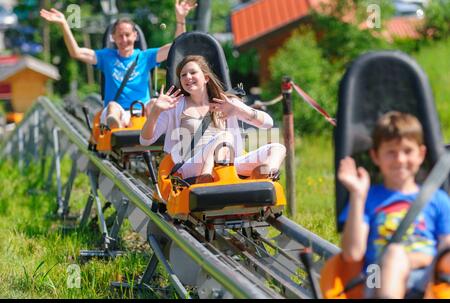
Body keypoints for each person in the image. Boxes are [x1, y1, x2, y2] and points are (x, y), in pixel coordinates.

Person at [338, 111, 450, 298]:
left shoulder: (438, 200)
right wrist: (357, 195)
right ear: (375, 156)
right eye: (391, 152)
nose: (400, 159)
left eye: (407, 151)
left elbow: (446, 255)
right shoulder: (367, 198)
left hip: (426, 281)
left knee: (398, 256)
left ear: (421, 154)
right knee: (394, 254)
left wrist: (413, 261)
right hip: (376, 279)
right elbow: (352, 254)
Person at [40, 0, 197, 129]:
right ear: (113, 38)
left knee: (156, 102)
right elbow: (76, 52)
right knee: (113, 107)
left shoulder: (145, 56)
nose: (124, 40)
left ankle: (156, 129)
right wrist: (63, 24)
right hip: (117, 112)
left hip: (142, 112)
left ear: (135, 36)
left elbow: (177, 47)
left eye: (127, 35)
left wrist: (180, 19)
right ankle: (117, 129)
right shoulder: (105, 57)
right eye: (119, 36)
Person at [140, 55, 286, 183]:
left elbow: (268, 123)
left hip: (229, 164)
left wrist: (238, 108)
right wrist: (156, 111)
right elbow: (145, 140)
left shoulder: (225, 102)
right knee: (224, 136)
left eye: (192, 72)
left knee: (277, 148)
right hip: (190, 165)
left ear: (206, 78)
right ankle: (206, 177)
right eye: (183, 75)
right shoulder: (175, 105)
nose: (187, 77)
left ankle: (267, 177)